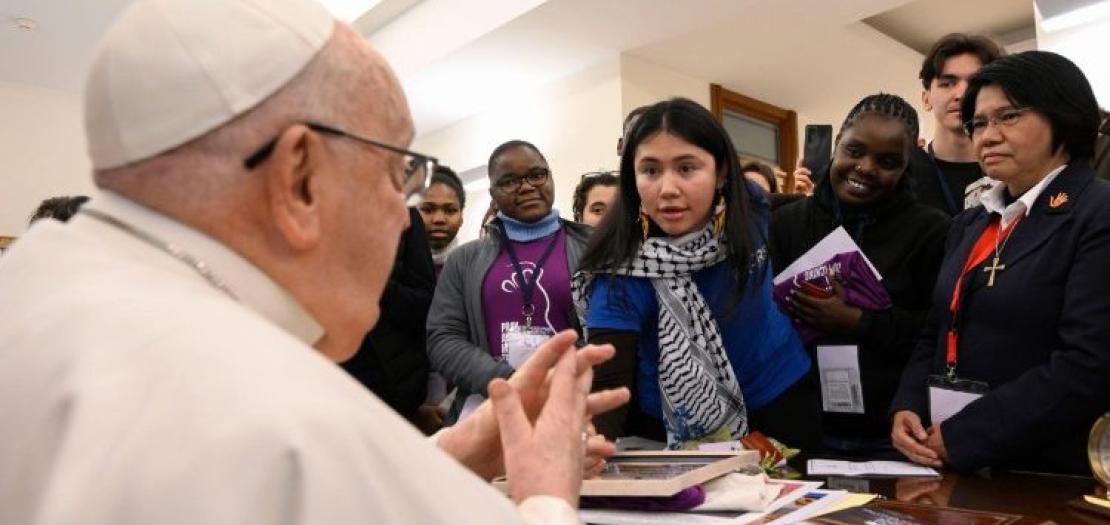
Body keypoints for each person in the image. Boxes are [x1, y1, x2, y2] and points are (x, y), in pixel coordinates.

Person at [0, 1, 629, 523]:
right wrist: (546, 491)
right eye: (397, 173)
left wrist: (450, 453)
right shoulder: (269, 416)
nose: (402, 216)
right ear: (300, 177)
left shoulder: (38, 291)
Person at [891, 51, 1110, 475]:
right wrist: (908, 404)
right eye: (978, 123)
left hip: (1046, 473)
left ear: (1062, 118)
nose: (987, 136)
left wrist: (965, 436)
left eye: (1008, 117)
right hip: (952, 461)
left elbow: (1089, 363)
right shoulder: (970, 223)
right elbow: (936, 327)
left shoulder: (1097, 212)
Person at [574, 98, 815, 449]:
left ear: (720, 173)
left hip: (782, 400)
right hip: (677, 427)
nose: (668, 189)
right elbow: (607, 382)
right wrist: (588, 448)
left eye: (687, 168)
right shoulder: (619, 269)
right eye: (651, 170)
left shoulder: (751, 209)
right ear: (632, 178)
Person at [770, 94, 949, 458]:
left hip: (888, 433)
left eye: (887, 162)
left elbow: (936, 332)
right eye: (854, 151)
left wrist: (859, 322)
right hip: (798, 426)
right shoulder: (787, 222)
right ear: (837, 145)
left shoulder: (931, 231)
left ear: (906, 166)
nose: (866, 168)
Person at [427, 140, 593, 423]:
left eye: (537, 175)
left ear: (550, 176)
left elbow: (610, 333)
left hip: (571, 403)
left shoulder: (593, 248)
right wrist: (508, 382)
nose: (527, 187)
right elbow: (442, 339)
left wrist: (554, 380)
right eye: (510, 181)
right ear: (493, 193)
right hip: (486, 408)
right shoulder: (464, 260)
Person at [340, 207, 435, 429]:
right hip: (318, 370)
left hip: (390, 381)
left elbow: (423, 303)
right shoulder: (302, 209)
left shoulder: (403, 213)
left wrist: (368, 278)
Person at [907, 33, 1004, 216]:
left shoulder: (1010, 170)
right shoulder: (902, 169)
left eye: (975, 83)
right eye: (947, 83)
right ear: (926, 99)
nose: (962, 94)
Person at [418, 165, 466, 277]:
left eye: (450, 210)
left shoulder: (475, 270)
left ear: (461, 217)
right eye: (428, 209)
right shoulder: (391, 270)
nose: (439, 219)